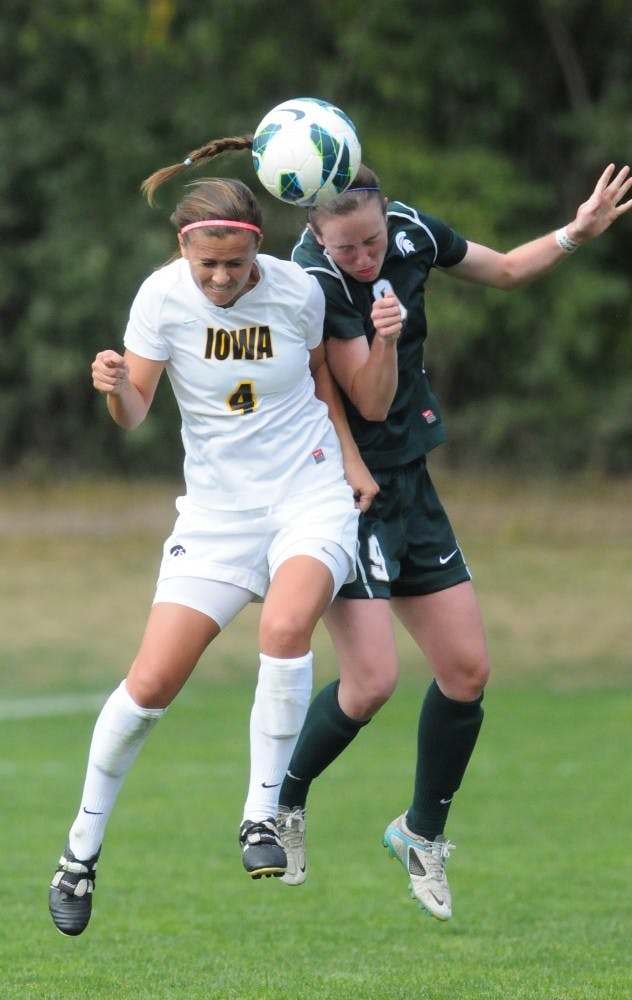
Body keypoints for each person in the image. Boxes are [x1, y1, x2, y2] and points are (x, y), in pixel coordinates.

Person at [271, 160, 632, 921]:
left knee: (467, 672)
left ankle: (419, 834)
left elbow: (502, 270)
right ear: (314, 235)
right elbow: (368, 401)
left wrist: (574, 232)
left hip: (410, 485)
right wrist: (383, 334)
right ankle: (279, 802)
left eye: (369, 241)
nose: (364, 258)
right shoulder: (312, 282)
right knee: (370, 684)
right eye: (346, 248)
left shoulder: (407, 229)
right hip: (345, 491)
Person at [48, 164, 376, 936]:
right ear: (184, 253)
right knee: (151, 682)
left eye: (236, 264)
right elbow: (134, 412)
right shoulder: (160, 297)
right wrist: (112, 386)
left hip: (308, 494)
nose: (223, 278)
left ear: (258, 249)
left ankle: (260, 816)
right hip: (219, 514)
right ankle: (79, 853)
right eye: (209, 266)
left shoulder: (298, 289)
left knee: (285, 629)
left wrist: (352, 462)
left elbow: (321, 380)